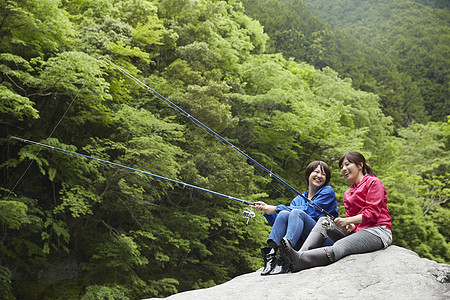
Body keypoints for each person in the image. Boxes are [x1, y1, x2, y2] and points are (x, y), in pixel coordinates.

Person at [280, 151, 392, 273]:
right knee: (324, 221)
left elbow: (372, 213)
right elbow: (352, 220)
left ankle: (301, 259)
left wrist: (347, 221)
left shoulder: (373, 182)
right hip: (358, 232)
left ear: (360, 165)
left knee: (341, 244)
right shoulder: (348, 193)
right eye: (341, 167)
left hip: (377, 231)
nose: (344, 169)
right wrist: (350, 225)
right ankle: (299, 255)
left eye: (347, 164)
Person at [252, 161, 338, 275]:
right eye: (316, 172)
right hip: (302, 242)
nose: (319, 176)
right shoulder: (299, 199)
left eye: (323, 174)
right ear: (308, 174)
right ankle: (271, 256)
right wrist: (267, 210)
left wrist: (275, 208)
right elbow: (284, 224)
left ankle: (285, 256)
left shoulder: (327, 192)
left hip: (323, 239)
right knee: (283, 214)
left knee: (296, 212)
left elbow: (310, 211)